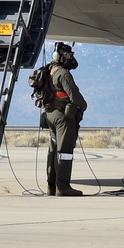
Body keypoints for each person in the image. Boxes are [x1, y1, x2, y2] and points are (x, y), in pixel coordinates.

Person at [44, 42, 88, 196]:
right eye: (69, 55)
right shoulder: (63, 74)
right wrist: (83, 106)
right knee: (64, 152)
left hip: (50, 114)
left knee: (54, 149)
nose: (71, 58)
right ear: (62, 57)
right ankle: (63, 187)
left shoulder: (50, 70)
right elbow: (74, 95)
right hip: (63, 116)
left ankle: (51, 185)